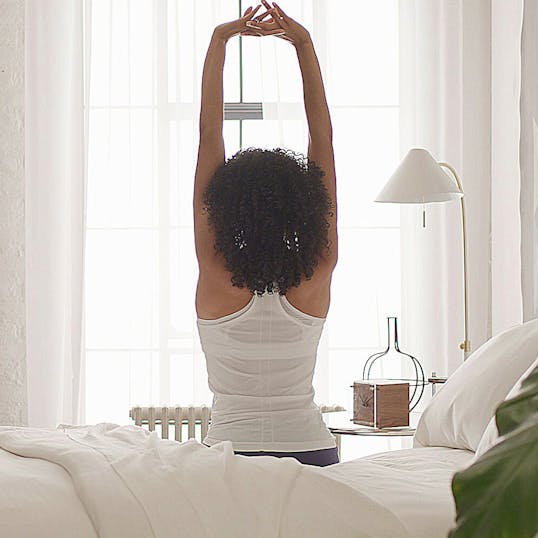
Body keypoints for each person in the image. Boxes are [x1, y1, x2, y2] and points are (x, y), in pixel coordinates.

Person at [194, 1, 338, 467]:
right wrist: (304, 46)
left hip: (228, 454)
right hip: (310, 451)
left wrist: (219, 42)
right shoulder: (317, 270)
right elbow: (322, 143)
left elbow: (209, 138)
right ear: (306, 207)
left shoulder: (215, 273)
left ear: (229, 207)